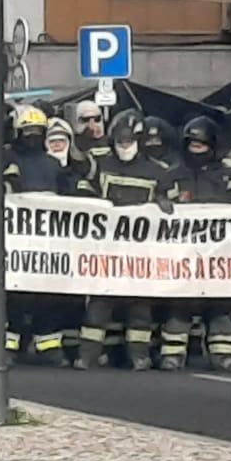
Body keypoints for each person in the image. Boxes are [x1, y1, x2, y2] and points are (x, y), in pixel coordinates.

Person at [78, 111, 172, 370]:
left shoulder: (157, 171)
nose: (124, 148)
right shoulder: (102, 165)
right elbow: (83, 194)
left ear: (139, 141)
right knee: (99, 303)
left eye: (129, 142)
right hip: (106, 248)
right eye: (120, 142)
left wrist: (166, 203)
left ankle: (138, 354)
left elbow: (176, 206)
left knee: (140, 306)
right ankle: (88, 354)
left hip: (141, 252)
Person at [167, 116, 231, 370]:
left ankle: (223, 355)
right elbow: (156, 201)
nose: (196, 149)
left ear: (212, 146)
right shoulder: (173, 175)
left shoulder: (226, 176)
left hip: (219, 255)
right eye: (192, 144)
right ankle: (173, 354)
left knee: (220, 306)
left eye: (201, 145)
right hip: (182, 253)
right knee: (180, 305)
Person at [9, 105, 77, 364]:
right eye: (27, 132)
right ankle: (9, 346)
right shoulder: (7, 158)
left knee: (49, 296)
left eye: (38, 132)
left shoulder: (53, 164)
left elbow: (70, 195)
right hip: (15, 239)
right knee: (14, 295)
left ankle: (49, 345)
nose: (33, 136)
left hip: (49, 240)